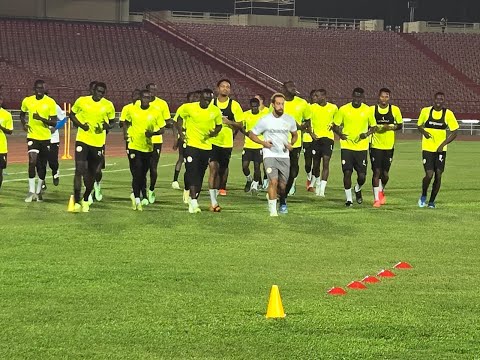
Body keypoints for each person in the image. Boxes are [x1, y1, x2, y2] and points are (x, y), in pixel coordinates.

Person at [69, 82, 115, 212]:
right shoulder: (82, 101)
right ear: (93, 90)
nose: (100, 94)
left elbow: (112, 122)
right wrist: (81, 125)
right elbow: (71, 114)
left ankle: (86, 198)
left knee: (93, 174)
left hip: (98, 143)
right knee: (79, 169)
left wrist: (108, 127)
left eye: (102, 92)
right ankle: (76, 201)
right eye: (98, 91)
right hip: (82, 140)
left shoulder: (108, 105)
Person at [249, 93, 297, 216]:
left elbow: (295, 134)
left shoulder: (289, 119)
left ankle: (282, 201)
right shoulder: (265, 120)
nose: (281, 106)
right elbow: (252, 134)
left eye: (282, 104)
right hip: (269, 155)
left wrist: (291, 143)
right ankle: (273, 211)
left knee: (282, 185)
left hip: (284, 156)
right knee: (273, 181)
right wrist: (263, 143)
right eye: (278, 104)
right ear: (273, 105)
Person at [176, 89, 222, 213]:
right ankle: (194, 202)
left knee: (200, 174)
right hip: (191, 145)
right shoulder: (189, 107)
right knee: (192, 171)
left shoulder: (215, 111)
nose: (207, 102)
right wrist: (181, 134)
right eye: (205, 99)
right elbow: (179, 118)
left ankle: (194, 198)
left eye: (209, 100)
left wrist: (214, 132)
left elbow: (219, 125)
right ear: (200, 98)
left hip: (206, 147)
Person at [332, 87, 376, 207]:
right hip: (346, 146)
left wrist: (366, 134)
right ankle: (349, 199)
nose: (357, 99)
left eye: (359, 97)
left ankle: (357, 188)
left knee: (362, 176)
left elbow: (374, 127)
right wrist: (340, 135)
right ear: (352, 96)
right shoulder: (344, 109)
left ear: (362, 98)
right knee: (347, 172)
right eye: (355, 96)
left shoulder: (367, 110)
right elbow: (335, 125)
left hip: (361, 147)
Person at [124, 90, 165, 211]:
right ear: (140, 98)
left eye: (148, 97)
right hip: (134, 146)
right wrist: (126, 134)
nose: (146, 99)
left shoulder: (155, 112)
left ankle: (144, 194)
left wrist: (153, 133)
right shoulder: (132, 109)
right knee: (136, 172)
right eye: (144, 97)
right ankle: (137, 199)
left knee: (143, 173)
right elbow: (125, 122)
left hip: (148, 147)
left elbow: (162, 129)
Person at [417, 92, 458, 208]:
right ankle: (424, 195)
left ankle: (431, 202)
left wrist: (443, 144)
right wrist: (424, 132)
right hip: (427, 148)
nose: (439, 100)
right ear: (433, 99)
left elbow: (455, 132)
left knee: (438, 175)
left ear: (444, 101)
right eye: (437, 98)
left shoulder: (448, 114)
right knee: (429, 174)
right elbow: (419, 125)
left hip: (441, 150)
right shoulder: (425, 111)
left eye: (441, 99)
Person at [20, 80, 58, 202]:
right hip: (32, 136)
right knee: (32, 161)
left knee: (42, 165)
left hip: (45, 137)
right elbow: (22, 114)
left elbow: (54, 122)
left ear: (44, 89)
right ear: (34, 89)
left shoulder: (50, 102)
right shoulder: (27, 100)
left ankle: (38, 191)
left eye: (41, 88)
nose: (39, 90)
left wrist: (41, 118)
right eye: (37, 88)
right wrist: (24, 123)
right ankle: (31, 191)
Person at [370, 88, 403, 207]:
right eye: (382, 96)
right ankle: (376, 199)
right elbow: (368, 125)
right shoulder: (372, 110)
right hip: (375, 145)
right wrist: (377, 128)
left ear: (389, 97)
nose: (384, 99)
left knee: (385, 174)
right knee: (376, 172)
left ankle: (381, 190)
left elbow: (400, 125)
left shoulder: (395, 110)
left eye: (386, 96)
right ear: (378, 97)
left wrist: (390, 128)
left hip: (389, 146)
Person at [210, 79, 244, 197]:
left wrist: (229, 122)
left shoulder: (234, 105)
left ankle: (222, 187)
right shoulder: (211, 103)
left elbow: (240, 124)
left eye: (227, 87)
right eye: (223, 86)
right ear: (217, 88)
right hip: (212, 140)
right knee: (213, 165)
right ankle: (212, 189)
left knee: (223, 167)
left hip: (226, 141)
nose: (225, 88)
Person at [278, 81, 311, 200]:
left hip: (295, 143)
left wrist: (302, 126)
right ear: (283, 88)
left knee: (293, 170)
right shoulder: (278, 102)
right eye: (290, 86)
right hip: (279, 143)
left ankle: (284, 193)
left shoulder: (302, 103)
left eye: (294, 86)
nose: (293, 88)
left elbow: (308, 120)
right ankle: (279, 192)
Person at [139, 83, 171, 204]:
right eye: (150, 90)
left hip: (156, 140)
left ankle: (151, 189)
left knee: (153, 168)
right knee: (141, 168)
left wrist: (160, 126)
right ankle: (142, 192)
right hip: (141, 140)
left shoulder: (162, 104)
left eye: (155, 90)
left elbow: (167, 121)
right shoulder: (139, 103)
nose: (153, 92)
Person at [308, 89, 338, 197]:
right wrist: (311, 133)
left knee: (326, 162)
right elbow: (307, 121)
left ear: (324, 96)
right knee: (315, 165)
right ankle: (317, 183)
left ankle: (322, 190)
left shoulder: (333, 108)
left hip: (328, 139)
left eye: (318, 95)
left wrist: (335, 126)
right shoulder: (312, 108)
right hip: (316, 139)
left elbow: (337, 122)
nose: (315, 97)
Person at [172, 90, 201, 192]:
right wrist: (177, 138)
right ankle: (175, 180)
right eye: (193, 97)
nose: (195, 99)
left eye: (197, 97)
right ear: (188, 98)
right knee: (182, 158)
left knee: (196, 161)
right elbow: (175, 123)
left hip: (196, 138)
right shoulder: (183, 108)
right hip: (185, 136)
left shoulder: (200, 109)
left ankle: (192, 182)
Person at [241, 97, 269, 195]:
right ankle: (249, 179)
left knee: (257, 168)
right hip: (248, 145)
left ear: (258, 106)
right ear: (250, 106)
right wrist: (246, 133)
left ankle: (254, 185)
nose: (254, 108)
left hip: (259, 145)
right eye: (252, 107)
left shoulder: (264, 116)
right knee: (245, 166)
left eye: (256, 106)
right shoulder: (245, 115)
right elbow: (241, 127)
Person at [119, 89, 141, 200]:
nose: (136, 98)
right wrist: (125, 134)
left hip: (143, 142)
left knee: (143, 165)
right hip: (131, 140)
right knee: (133, 164)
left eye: (138, 96)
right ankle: (135, 185)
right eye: (134, 96)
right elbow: (123, 122)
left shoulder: (145, 109)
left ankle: (140, 186)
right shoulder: (127, 108)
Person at [0, 95, 13, 196]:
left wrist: (1, 127)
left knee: (0, 172)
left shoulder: (6, 114)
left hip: (1, 147)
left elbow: (10, 131)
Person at [304, 90, 316, 191]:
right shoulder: (306, 107)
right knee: (308, 164)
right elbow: (304, 123)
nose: (315, 98)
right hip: (307, 139)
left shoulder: (322, 108)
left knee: (316, 162)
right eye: (314, 96)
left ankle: (312, 184)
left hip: (317, 139)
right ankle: (308, 178)